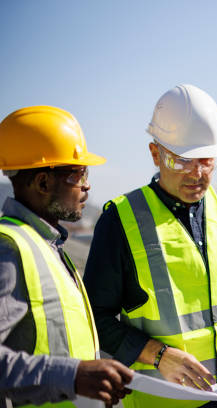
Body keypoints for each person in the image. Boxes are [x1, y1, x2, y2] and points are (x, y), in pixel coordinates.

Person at [83, 84, 217, 408]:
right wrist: (158, 355)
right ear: (155, 153)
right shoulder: (120, 220)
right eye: (183, 161)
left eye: (207, 160)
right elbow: (95, 316)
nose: (198, 173)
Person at [0, 106, 134, 407]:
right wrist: (71, 376)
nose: (87, 185)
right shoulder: (9, 249)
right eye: (78, 173)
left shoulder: (47, 246)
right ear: (43, 183)